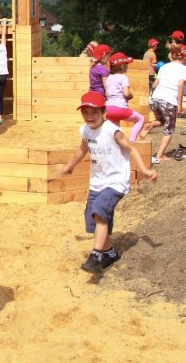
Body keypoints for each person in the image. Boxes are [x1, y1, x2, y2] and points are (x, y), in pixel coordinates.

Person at [61, 91, 156, 274]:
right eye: (85, 112)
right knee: (93, 223)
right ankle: (110, 253)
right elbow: (82, 150)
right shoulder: (86, 130)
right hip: (97, 182)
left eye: (94, 112)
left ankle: (96, 255)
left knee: (100, 212)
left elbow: (132, 148)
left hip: (116, 181)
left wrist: (144, 170)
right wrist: (70, 166)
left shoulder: (112, 130)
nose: (89, 116)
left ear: (104, 112)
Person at [144, 46, 186, 164]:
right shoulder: (185, 69)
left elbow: (154, 84)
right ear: (184, 58)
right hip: (169, 101)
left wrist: (152, 96)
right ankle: (160, 155)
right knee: (169, 129)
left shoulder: (164, 66)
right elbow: (180, 85)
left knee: (162, 121)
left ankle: (149, 125)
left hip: (156, 98)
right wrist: (179, 104)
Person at [104, 52, 147, 141]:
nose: (127, 66)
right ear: (122, 66)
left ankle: (114, 145)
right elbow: (126, 93)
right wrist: (131, 95)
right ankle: (132, 141)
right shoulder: (123, 77)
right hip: (120, 108)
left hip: (108, 108)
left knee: (115, 128)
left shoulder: (109, 78)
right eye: (126, 64)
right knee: (140, 119)